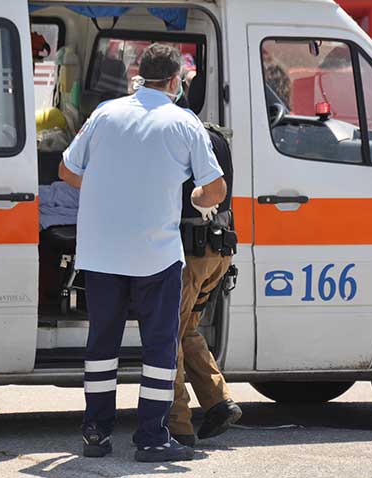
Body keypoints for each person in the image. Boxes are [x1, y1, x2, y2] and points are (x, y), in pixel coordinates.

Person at [59, 43, 226, 463]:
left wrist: (106, 190)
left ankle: (95, 433)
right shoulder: (184, 122)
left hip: (101, 253)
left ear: (139, 75)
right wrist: (198, 199)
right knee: (158, 348)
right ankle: (152, 438)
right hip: (156, 255)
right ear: (175, 80)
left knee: (102, 346)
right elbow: (215, 189)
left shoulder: (105, 114)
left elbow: (67, 170)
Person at [170, 78, 242, 447]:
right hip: (218, 253)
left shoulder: (173, 136)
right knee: (186, 329)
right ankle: (218, 402)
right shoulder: (215, 135)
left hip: (189, 256)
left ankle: (177, 425)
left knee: (167, 336)